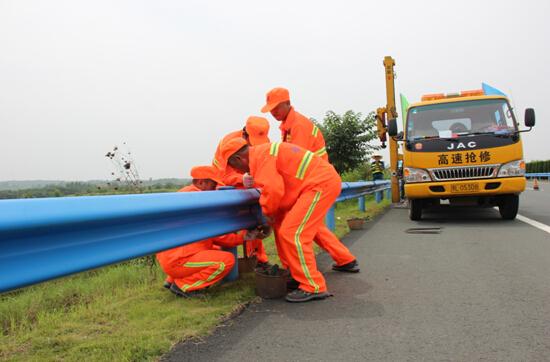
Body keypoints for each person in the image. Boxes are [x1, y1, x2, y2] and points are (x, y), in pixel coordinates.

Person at [220, 138, 345, 303]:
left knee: (293, 233)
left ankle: (313, 286)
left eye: (236, 168)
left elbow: (273, 190)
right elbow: (281, 189)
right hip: (316, 184)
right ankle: (297, 275)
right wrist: (271, 219)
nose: (242, 172)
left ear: (238, 159)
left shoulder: (261, 159)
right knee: (286, 229)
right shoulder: (263, 153)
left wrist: (266, 216)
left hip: (319, 185)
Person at [261, 87, 358, 273]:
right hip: (314, 181)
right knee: (310, 226)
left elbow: (294, 163)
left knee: (292, 227)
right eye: (270, 109)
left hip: (315, 182)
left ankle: (296, 271)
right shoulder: (289, 126)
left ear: (288, 104)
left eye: (276, 108)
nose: (273, 113)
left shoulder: (298, 126)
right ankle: (345, 259)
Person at [156, 165, 261, 298]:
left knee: (215, 250)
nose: (215, 189)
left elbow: (215, 236)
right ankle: (183, 286)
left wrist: (242, 237)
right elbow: (220, 235)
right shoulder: (198, 200)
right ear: (201, 182)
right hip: (179, 261)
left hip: (172, 257)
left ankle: (171, 280)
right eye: (213, 185)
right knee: (225, 261)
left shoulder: (185, 195)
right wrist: (244, 236)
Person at [212, 116, 271, 265]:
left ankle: (258, 259)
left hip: (250, 188)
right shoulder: (228, 143)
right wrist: (241, 179)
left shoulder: (264, 140)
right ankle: (224, 263)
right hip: (227, 189)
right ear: (245, 134)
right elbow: (221, 177)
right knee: (225, 229)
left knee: (255, 219)